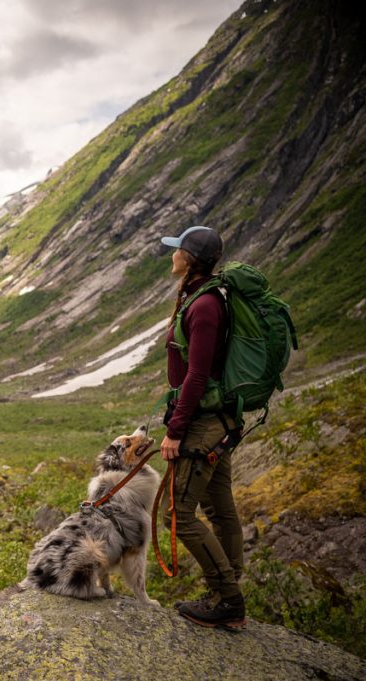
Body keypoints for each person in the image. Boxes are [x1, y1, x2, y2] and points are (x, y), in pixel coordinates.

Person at [159, 225, 245, 629]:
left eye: (177, 250)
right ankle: (228, 591)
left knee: (178, 514)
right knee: (219, 508)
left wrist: (175, 430)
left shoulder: (205, 307)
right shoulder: (203, 296)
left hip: (202, 425)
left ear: (189, 259)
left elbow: (195, 376)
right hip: (216, 421)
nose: (172, 254)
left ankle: (227, 597)